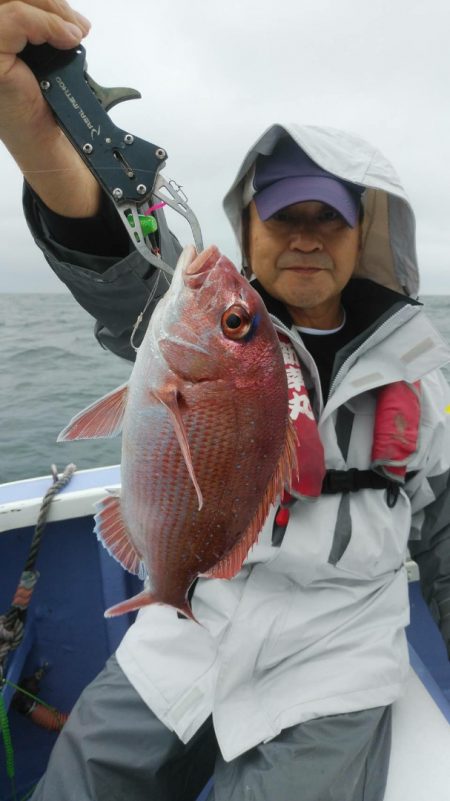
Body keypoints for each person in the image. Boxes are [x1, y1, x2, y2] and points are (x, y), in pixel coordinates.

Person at [1, 4, 450, 800]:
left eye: (328, 218)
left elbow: (443, 526)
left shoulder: (423, 373)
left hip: (339, 651)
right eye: (283, 215)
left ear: (362, 234)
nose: (305, 236)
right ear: (248, 224)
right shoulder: (201, 324)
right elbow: (112, 254)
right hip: (188, 618)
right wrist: (33, 132)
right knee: (77, 783)